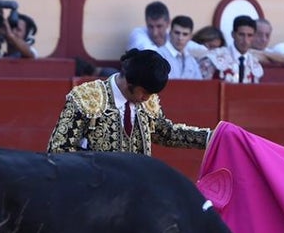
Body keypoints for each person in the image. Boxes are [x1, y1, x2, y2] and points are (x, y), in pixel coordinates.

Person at [47, 47, 211, 156]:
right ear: (129, 83)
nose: (147, 98)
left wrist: (213, 138)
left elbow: (167, 134)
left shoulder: (148, 102)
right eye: (145, 93)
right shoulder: (86, 98)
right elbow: (58, 150)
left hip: (136, 196)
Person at [199, 15, 262, 83]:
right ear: (233, 34)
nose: (245, 40)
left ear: (254, 37)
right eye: (241, 35)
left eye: (250, 35)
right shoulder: (213, 57)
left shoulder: (255, 63)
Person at [161, 15, 202, 79]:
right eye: (177, 33)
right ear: (170, 33)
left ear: (190, 37)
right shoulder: (160, 55)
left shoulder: (191, 60)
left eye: (185, 34)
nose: (180, 38)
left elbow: (199, 84)